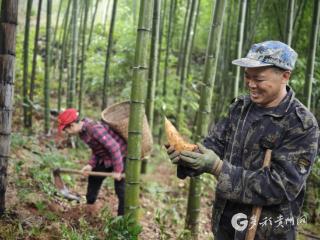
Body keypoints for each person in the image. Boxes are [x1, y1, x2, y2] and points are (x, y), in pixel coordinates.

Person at [167, 41, 319, 239]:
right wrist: (189, 157)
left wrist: (218, 168)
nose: (250, 84)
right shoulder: (241, 107)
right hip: (226, 224)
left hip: (266, 231)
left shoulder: (301, 124)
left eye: (259, 79)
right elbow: (216, 144)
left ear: (285, 76)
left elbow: (281, 186)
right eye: (247, 76)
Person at [57, 108, 127, 215]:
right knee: (94, 178)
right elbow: (97, 149)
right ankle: (89, 209)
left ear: (72, 125)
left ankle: (122, 220)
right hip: (106, 158)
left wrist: (118, 170)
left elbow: (114, 148)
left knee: (121, 190)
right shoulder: (82, 133)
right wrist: (91, 165)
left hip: (121, 157)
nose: (66, 132)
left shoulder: (95, 129)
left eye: (66, 130)